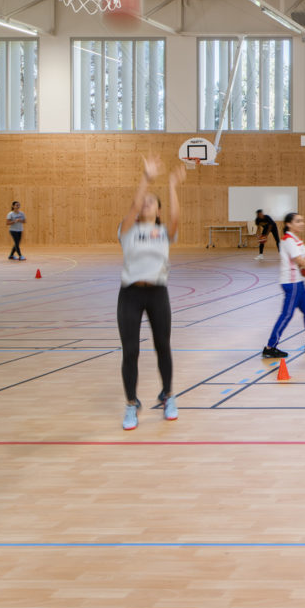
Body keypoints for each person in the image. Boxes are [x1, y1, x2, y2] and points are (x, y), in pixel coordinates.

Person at [117, 157, 183, 431]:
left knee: (162, 346)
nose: (146, 205)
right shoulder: (128, 231)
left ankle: (168, 395)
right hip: (130, 294)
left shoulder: (164, 232)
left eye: (152, 203)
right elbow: (134, 205)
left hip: (158, 293)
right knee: (130, 351)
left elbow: (176, 218)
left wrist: (170, 185)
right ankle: (131, 404)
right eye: (144, 202)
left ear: (157, 211)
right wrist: (146, 178)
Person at [262, 212, 305, 358]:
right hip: (291, 283)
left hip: (299, 282)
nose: (302, 223)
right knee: (286, 315)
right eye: (298, 221)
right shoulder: (287, 240)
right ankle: (270, 347)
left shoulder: (296, 239)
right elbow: (299, 260)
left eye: (302, 220)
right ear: (289, 224)